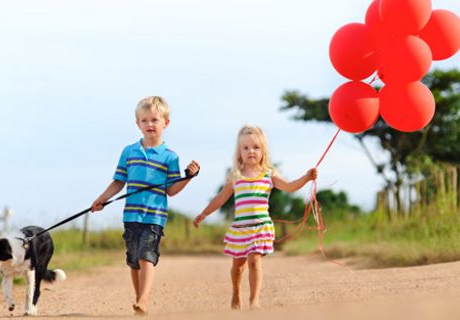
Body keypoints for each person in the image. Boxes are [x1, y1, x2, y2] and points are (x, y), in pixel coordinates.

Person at [91, 96, 200, 316]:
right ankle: (139, 299)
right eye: (144, 120)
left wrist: (188, 177)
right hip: (131, 216)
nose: (150, 124)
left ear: (165, 123)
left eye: (154, 120)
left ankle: (143, 300)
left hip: (154, 217)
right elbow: (119, 181)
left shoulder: (170, 157)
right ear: (137, 124)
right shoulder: (129, 152)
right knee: (134, 261)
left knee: (146, 256)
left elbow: (171, 190)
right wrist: (101, 199)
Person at [193, 125, 317, 310]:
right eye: (246, 148)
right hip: (240, 229)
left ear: (263, 151)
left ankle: (254, 301)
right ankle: (236, 292)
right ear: (239, 152)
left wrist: (306, 178)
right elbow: (220, 198)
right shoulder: (235, 176)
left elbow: (289, 186)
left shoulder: (269, 174)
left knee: (254, 260)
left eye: (256, 147)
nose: (251, 151)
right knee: (238, 266)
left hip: (260, 226)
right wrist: (204, 213)